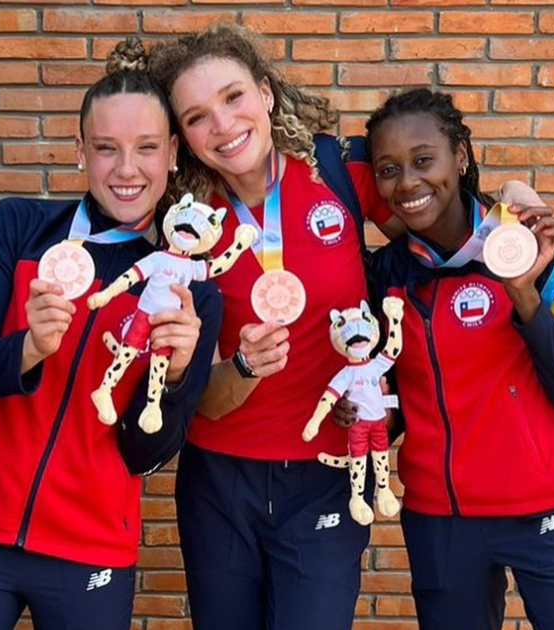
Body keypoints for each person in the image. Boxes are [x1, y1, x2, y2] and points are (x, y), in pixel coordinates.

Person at [0, 39, 222, 630]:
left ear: (173, 154)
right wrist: (27, 349)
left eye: (146, 148)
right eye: (105, 149)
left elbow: (146, 453)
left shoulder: (191, 290)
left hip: (91, 550)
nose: (127, 170)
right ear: (80, 151)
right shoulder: (16, 225)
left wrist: (173, 378)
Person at [144, 23, 402, 630]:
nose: (224, 126)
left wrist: (515, 206)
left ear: (265, 94)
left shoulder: (336, 173)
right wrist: (242, 367)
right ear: (182, 136)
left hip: (326, 474)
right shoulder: (184, 221)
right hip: (218, 481)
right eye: (197, 117)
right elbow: (198, 401)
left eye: (233, 98)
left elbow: (437, 240)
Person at [365, 87, 554, 630]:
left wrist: (525, 294)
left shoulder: (534, 243)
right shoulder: (387, 274)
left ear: (460, 157)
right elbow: (396, 402)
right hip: (444, 520)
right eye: (388, 169)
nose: (408, 182)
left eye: (423, 160)